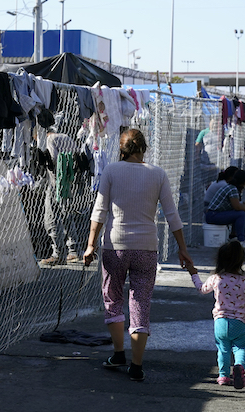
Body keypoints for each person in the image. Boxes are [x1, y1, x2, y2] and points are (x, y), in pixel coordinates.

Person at [82, 128, 192, 381]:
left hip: (115, 246)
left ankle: (119, 352)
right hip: (146, 248)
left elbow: (99, 211)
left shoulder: (111, 170)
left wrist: (90, 245)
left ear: (121, 149)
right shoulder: (158, 174)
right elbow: (172, 215)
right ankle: (137, 365)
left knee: (113, 298)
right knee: (140, 303)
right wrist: (183, 250)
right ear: (145, 148)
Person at [185, 241, 245, 389]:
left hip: (220, 322)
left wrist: (194, 274)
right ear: (241, 260)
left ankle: (223, 376)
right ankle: (239, 367)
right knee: (241, 347)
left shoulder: (216, 278)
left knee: (223, 349)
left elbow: (201, 289)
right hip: (239, 323)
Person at [40, 128, 89, 266]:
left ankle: (58, 253)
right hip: (70, 180)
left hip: (57, 182)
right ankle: (74, 249)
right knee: (66, 214)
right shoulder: (65, 136)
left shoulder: (49, 139)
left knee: (50, 217)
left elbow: (54, 159)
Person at [204, 169, 245, 250]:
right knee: (241, 214)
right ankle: (241, 240)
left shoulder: (231, 187)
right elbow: (237, 206)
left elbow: (238, 205)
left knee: (242, 212)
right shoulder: (232, 189)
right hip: (213, 215)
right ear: (243, 182)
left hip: (214, 214)